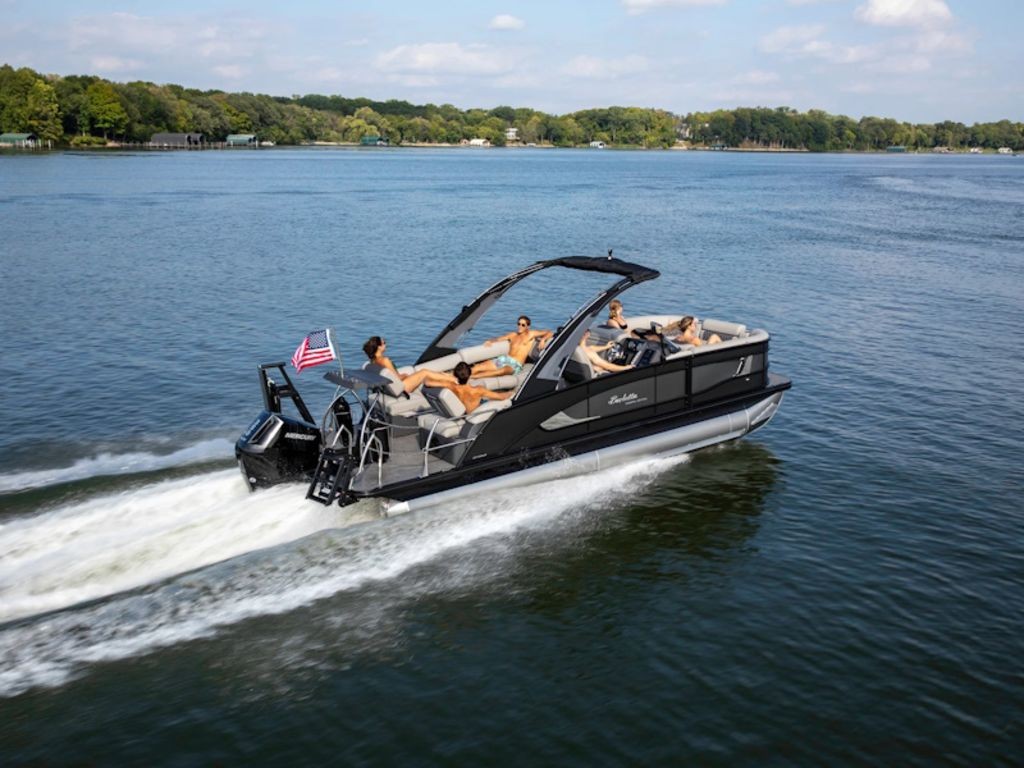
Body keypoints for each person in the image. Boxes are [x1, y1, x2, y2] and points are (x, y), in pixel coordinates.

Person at [362, 336, 455, 394]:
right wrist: (404, 376)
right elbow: (397, 378)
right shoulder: (385, 360)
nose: (386, 345)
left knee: (426, 376)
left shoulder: (372, 362)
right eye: (384, 343)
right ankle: (454, 379)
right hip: (402, 388)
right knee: (424, 372)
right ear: (379, 347)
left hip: (389, 390)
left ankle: (448, 378)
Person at [470, 315, 553, 379]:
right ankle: (465, 377)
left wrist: (543, 340)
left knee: (501, 371)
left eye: (523, 325)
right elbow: (499, 339)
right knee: (478, 367)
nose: (520, 326)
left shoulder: (531, 334)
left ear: (528, 327)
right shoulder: (513, 335)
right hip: (504, 359)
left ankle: (473, 377)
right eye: (519, 324)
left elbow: (549, 332)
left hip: (515, 364)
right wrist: (490, 341)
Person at [444, 362, 514, 414]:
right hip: (476, 413)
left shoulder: (451, 387)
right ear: (469, 374)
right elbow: (501, 397)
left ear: (455, 375)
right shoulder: (478, 390)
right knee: (498, 394)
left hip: (464, 412)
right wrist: (512, 393)